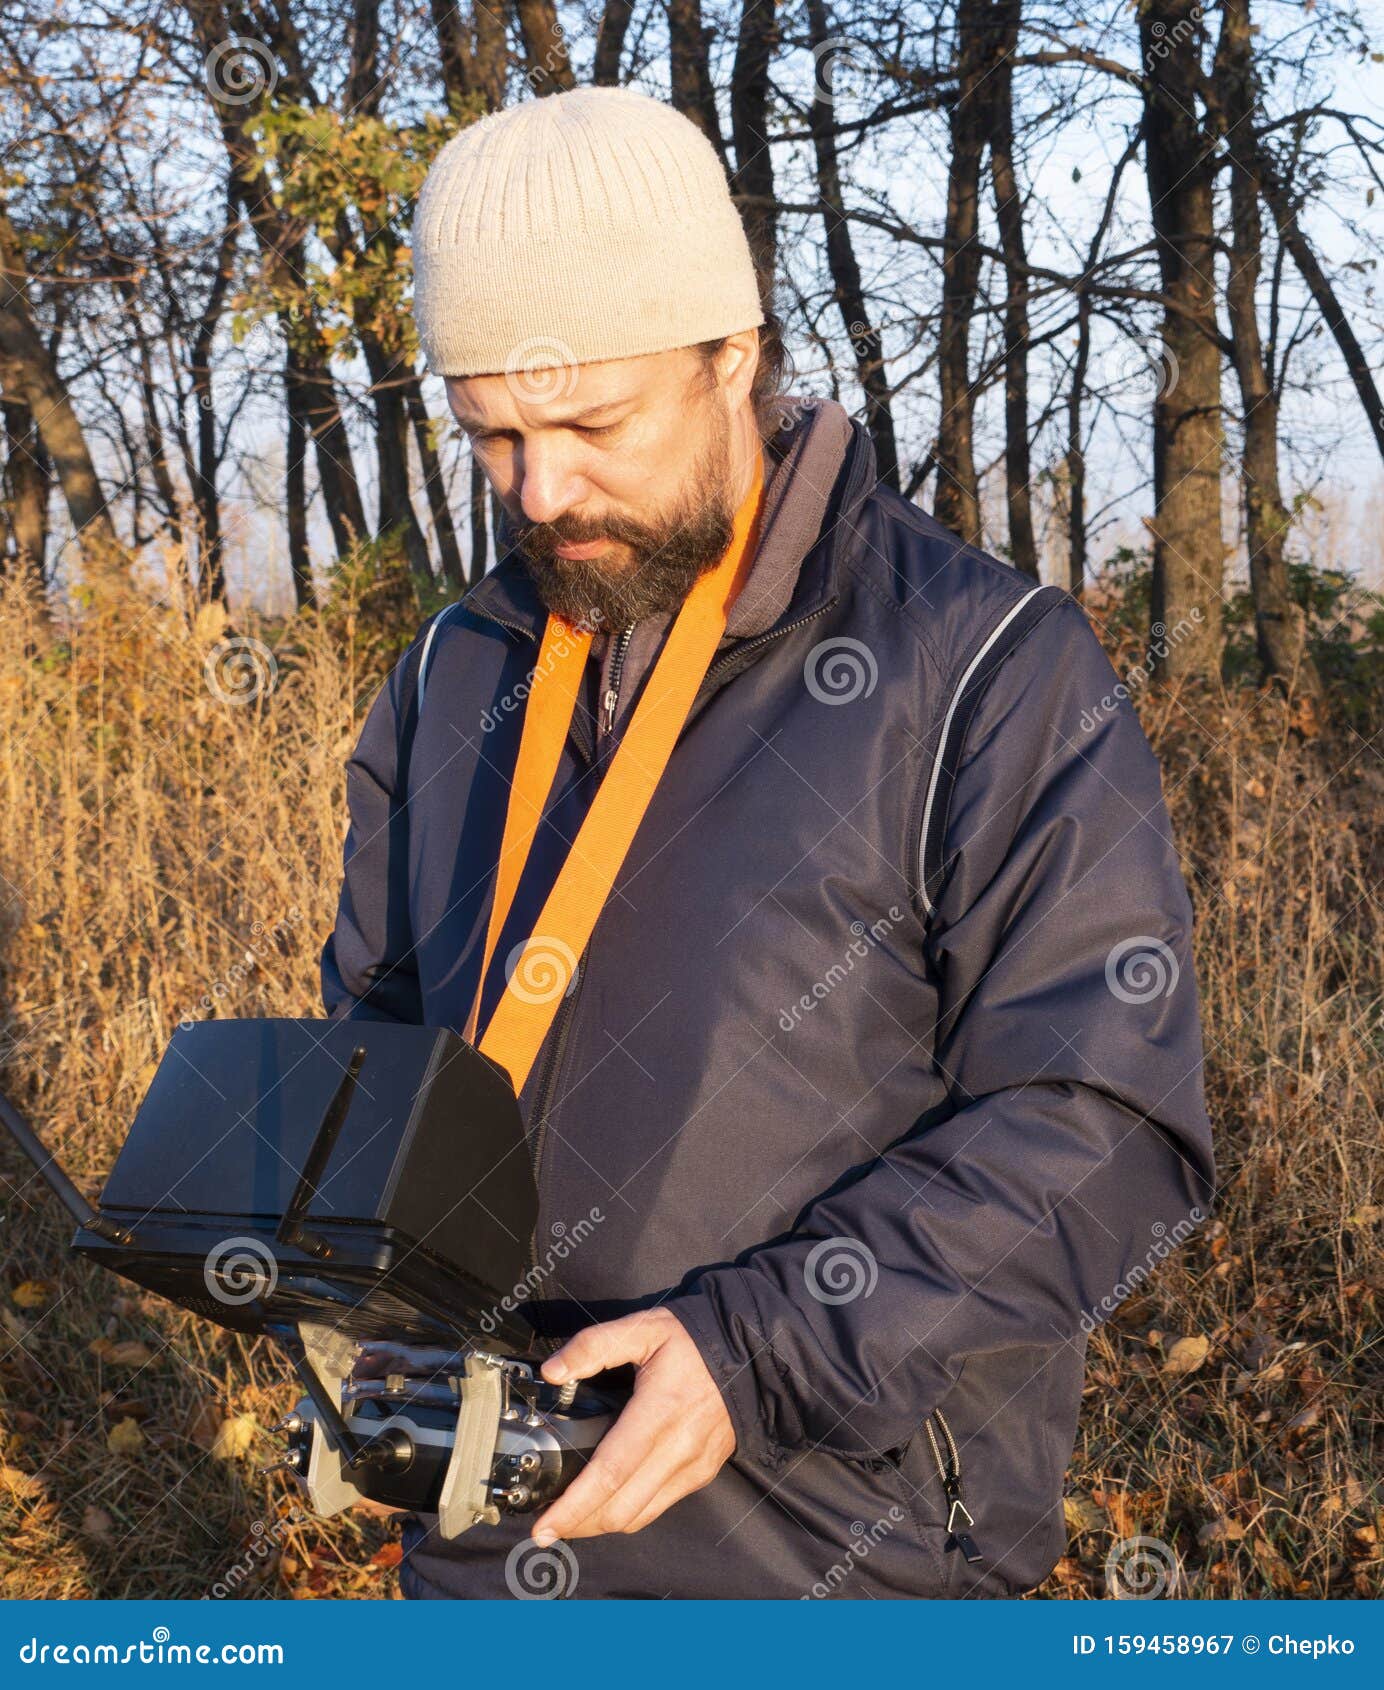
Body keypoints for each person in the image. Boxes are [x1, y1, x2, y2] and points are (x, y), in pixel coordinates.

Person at [321, 85, 1214, 1601]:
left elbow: (1108, 1119)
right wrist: (331, 1263)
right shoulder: (451, 669)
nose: (542, 493)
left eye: (592, 425)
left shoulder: (987, 662)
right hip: (488, 1526)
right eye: (493, 439)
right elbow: (384, 1036)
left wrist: (759, 1348)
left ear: (734, 353)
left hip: (835, 1548)